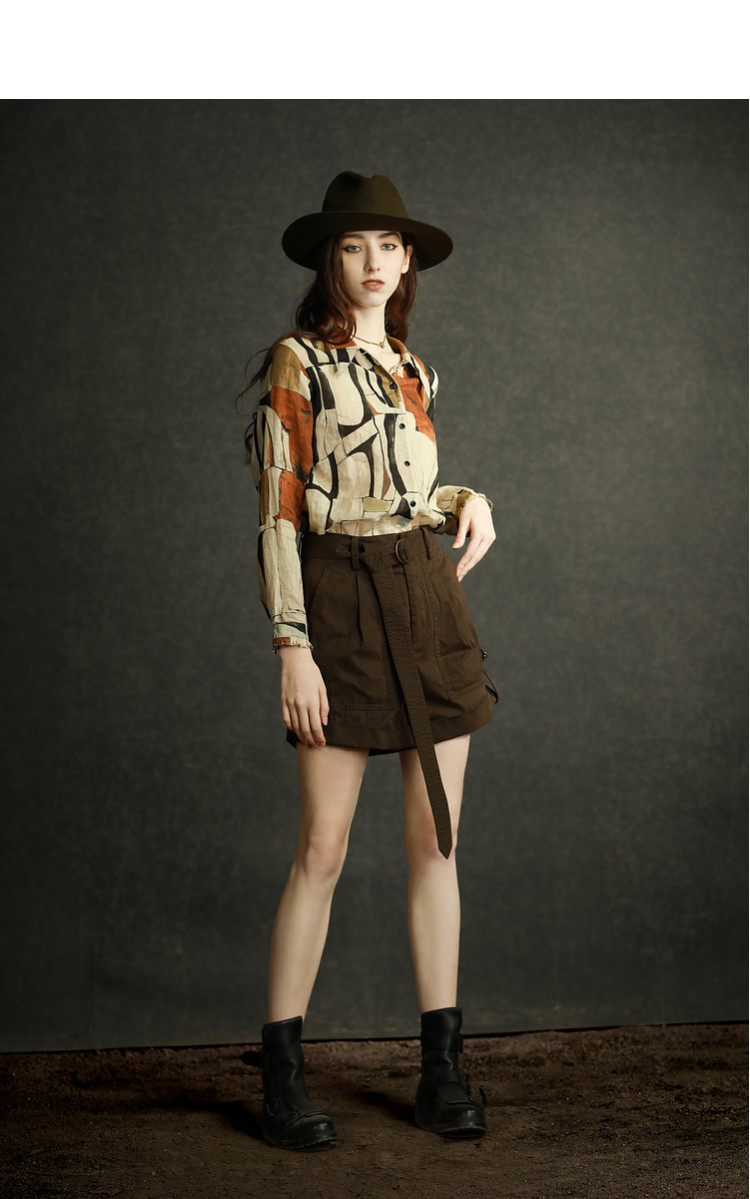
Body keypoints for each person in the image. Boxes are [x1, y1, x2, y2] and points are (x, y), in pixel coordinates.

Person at [239, 172, 498, 1151]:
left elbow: (408, 494)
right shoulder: (298, 361)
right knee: (324, 848)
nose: (375, 262)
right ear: (328, 261)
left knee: (437, 843)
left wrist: (466, 497)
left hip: (428, 597)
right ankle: (283, 1074)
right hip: (338, 600)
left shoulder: (415, 370)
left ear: (409, 259)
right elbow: (280, 511)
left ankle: (442, 1068)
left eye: (390, 245)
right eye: (354, 245)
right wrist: (292, 647)